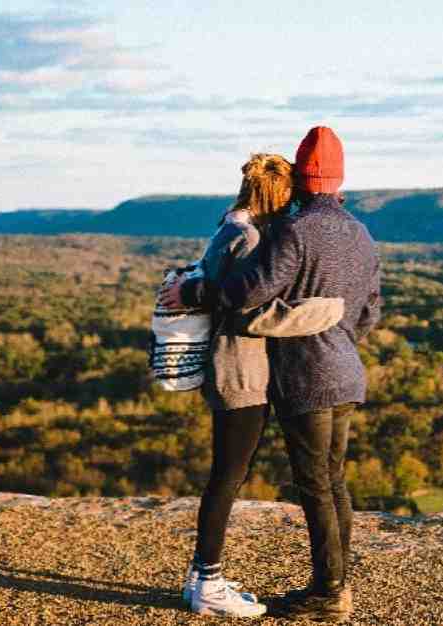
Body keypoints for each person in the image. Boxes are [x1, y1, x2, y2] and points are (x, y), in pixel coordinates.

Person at [161, 126, 381, 623]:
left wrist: (193, 292)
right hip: (346, 370)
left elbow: (249, 290)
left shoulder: (294, 230)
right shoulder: (362, 234)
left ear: (302, 179)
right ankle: (337, 584)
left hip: (307, 375)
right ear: (340, 178)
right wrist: (340, 339)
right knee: (335, 482)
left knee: (316, 486)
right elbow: (370, 311)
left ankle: (328, 594)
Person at [180, 153, 295, 618]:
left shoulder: (228, 226)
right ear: (274, 193)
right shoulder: (248, 238)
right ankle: (208, 581)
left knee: (225, 475)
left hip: (225, 366)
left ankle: (200, 577)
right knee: (227, 478)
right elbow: (246, 308)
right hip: (240, 371)